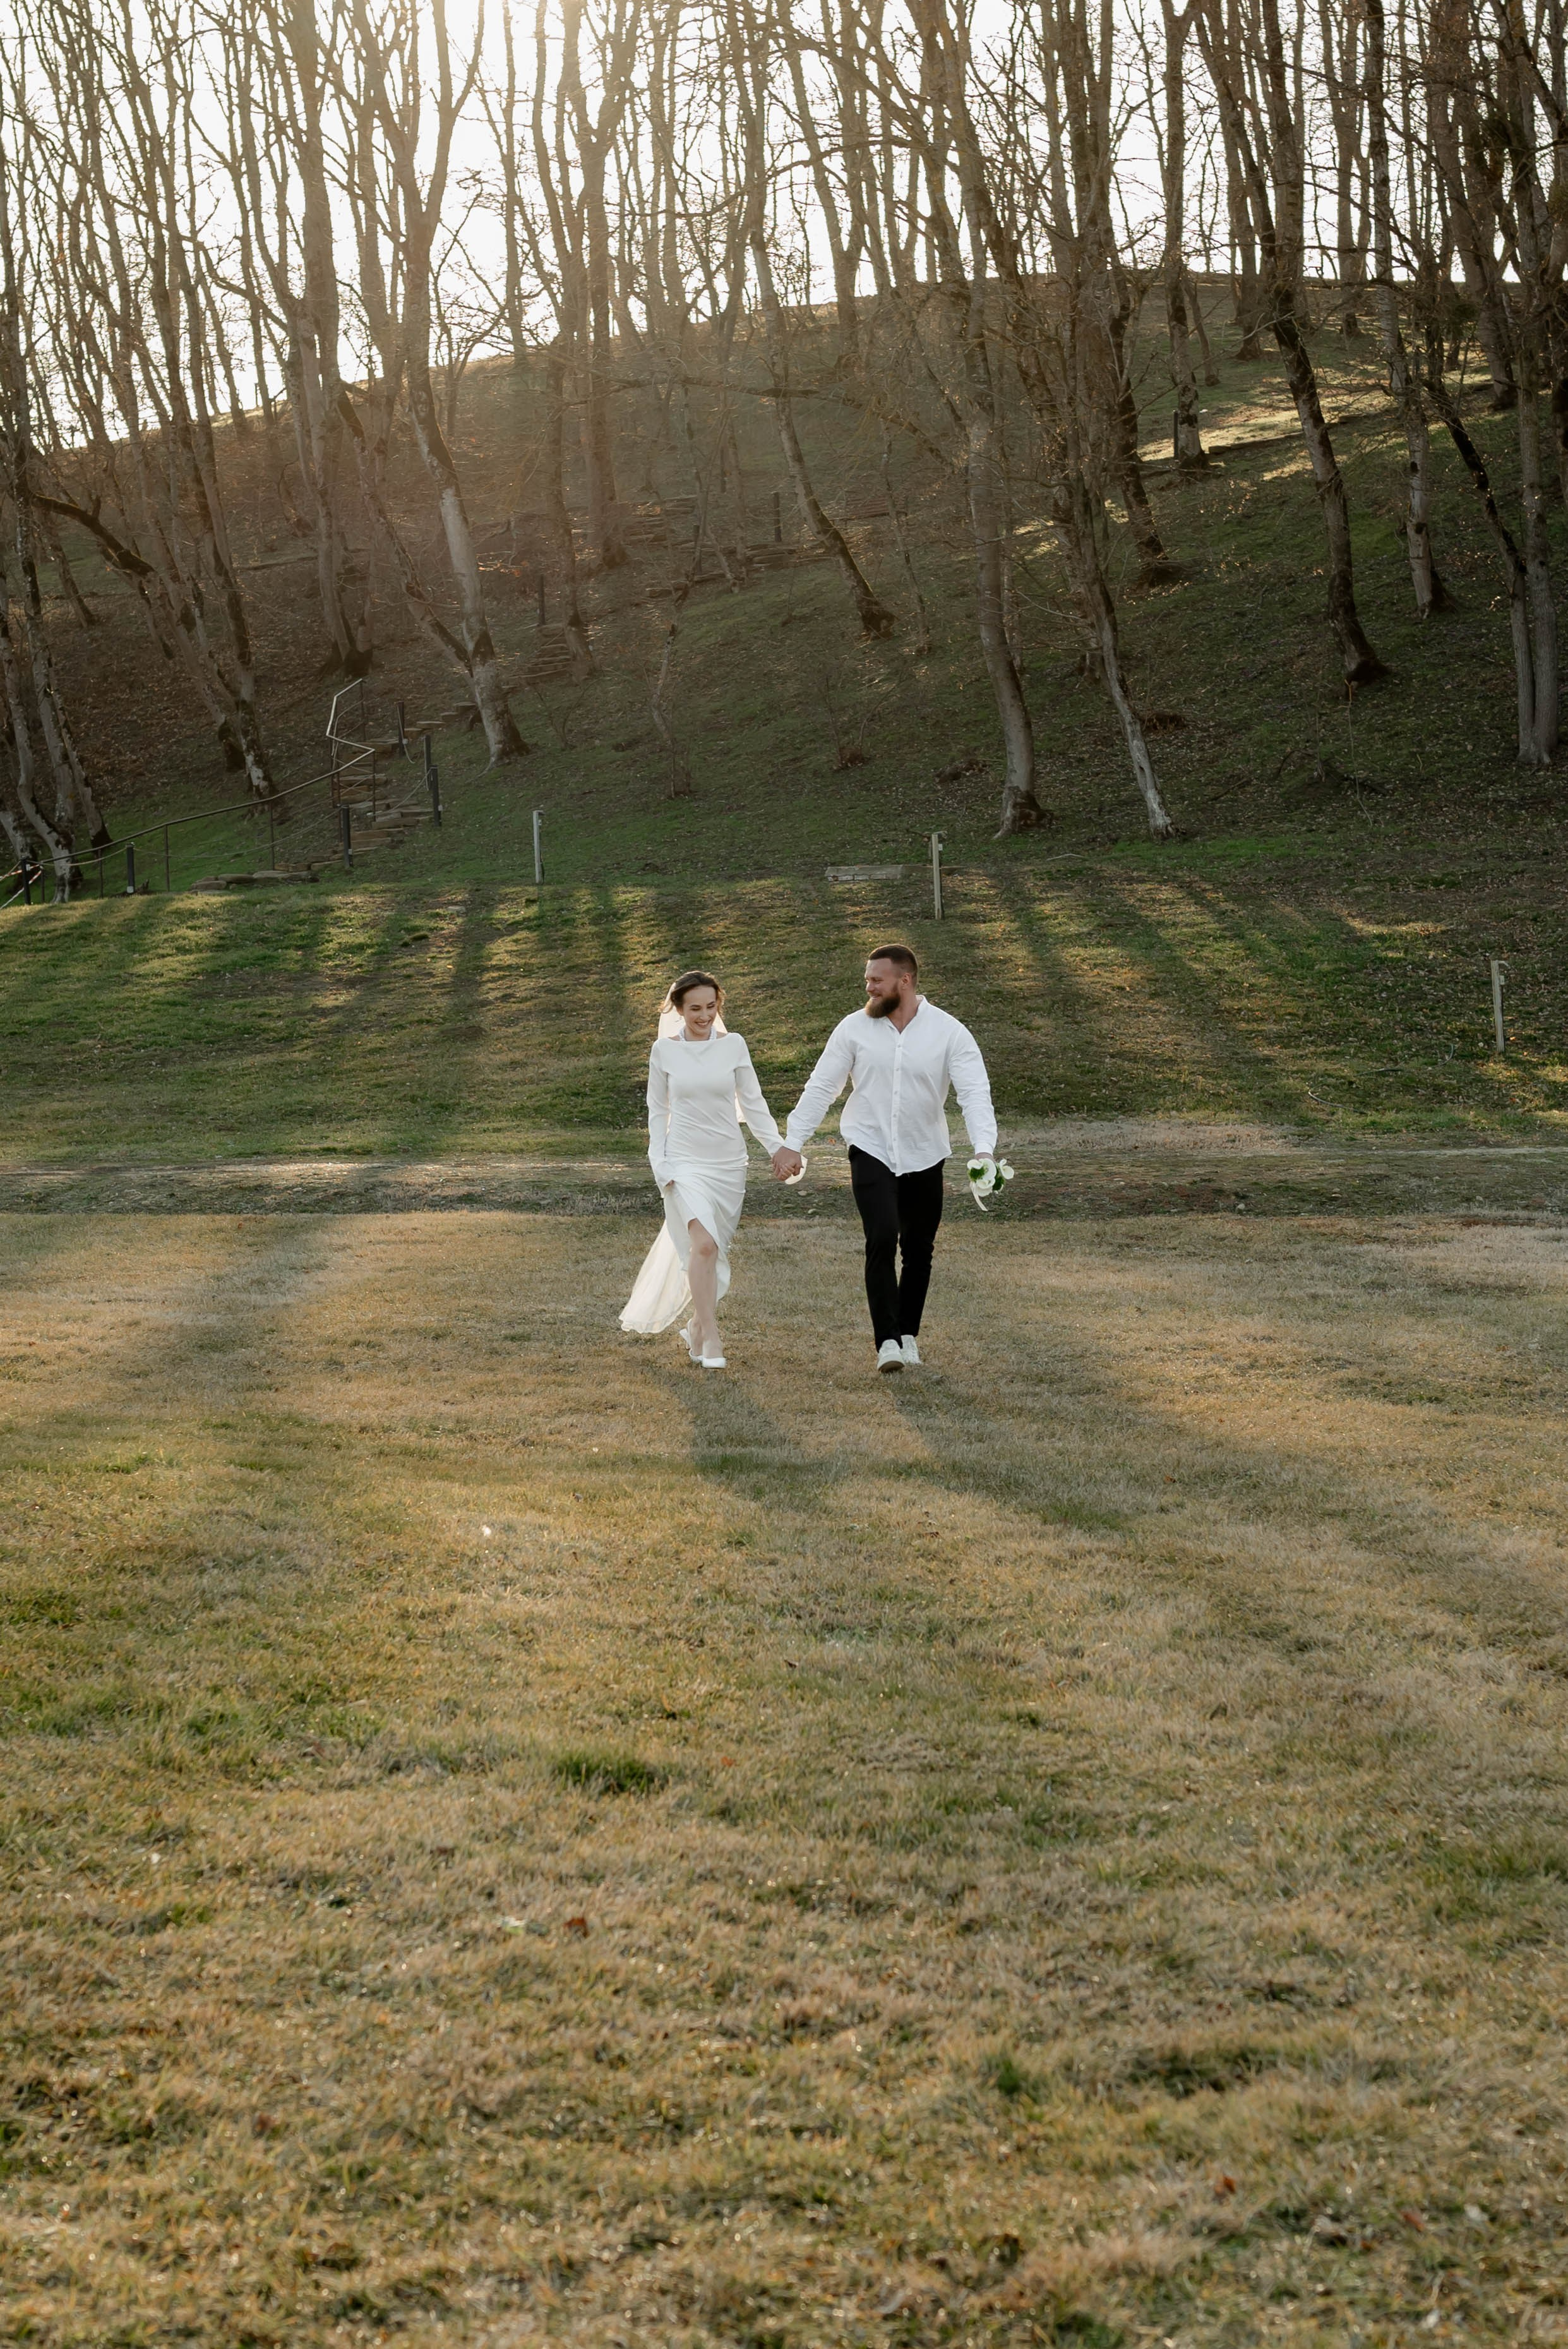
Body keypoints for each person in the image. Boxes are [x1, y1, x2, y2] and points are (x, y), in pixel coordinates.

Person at [774, 944, 997, 1373]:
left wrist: (983, 1148)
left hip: (926, 1151)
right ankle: (887, 1343)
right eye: (867, 980)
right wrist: (793, 1141)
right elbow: (822, 1086)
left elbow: (974, 1093)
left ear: (905, 980)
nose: (869, 987)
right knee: (881, 1235)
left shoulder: (949, 1032)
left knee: (918, 1248)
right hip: (869, 1145)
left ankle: (907, 1334)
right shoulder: (853, 1029)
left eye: (877, 980)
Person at [619, 968, 795, 1369]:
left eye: (711, 1007)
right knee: (703, 1245)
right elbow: (657, 1112)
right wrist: (659, 1163)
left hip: (729, 1164)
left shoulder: (734, 1045)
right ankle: (712, 1336)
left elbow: (753, 1103)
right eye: (695, 1008)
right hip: (682, 1162)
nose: (703, 1016)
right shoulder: (663, 1051)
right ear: (678, 1010)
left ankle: (697, 1324)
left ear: (719, 1006)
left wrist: (776, 1147)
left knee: (711, 1250)